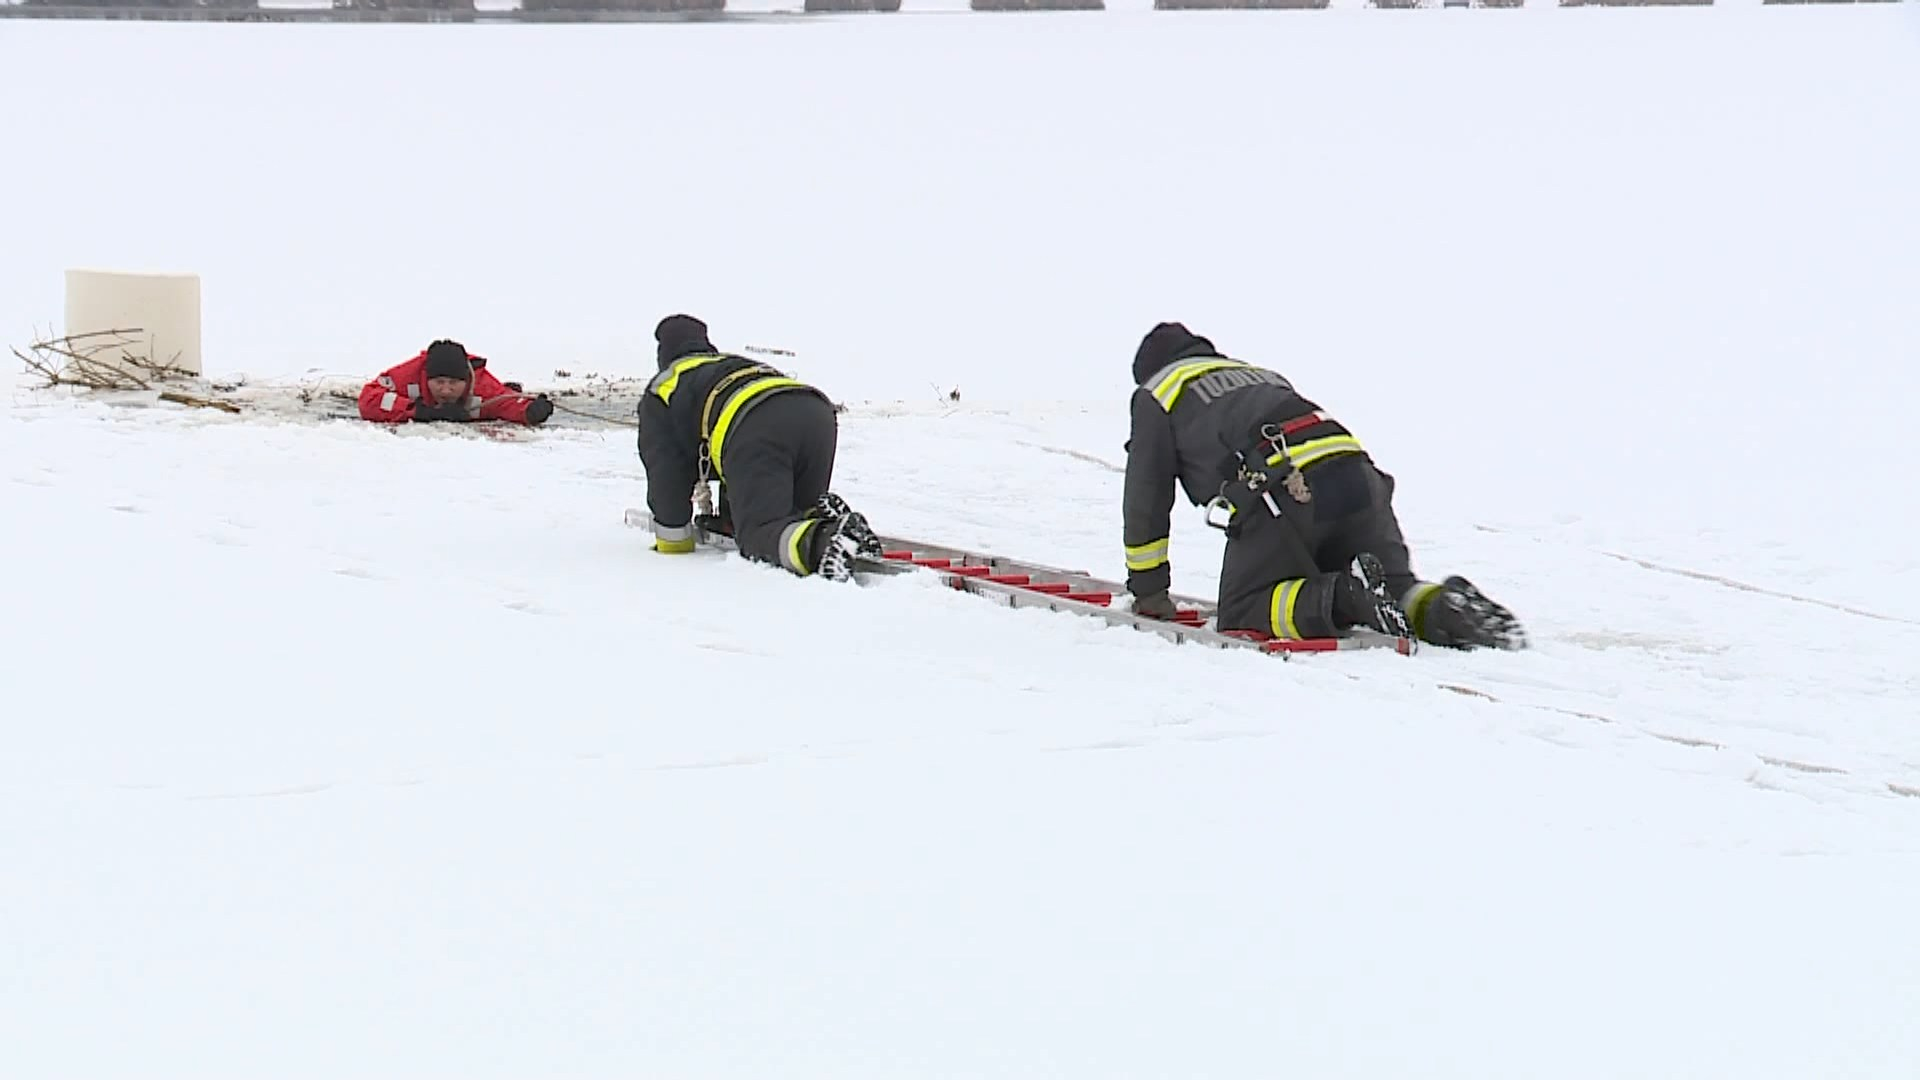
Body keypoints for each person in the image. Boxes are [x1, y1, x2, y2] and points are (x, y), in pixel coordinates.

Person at [1121, 321, 1524, 650]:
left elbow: (1146, 497)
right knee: (1396, 587)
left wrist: (1149, 591)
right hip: (1359, 478)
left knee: (1244, 610)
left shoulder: (1157, 393)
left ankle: (1347, 596)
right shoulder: (1258, 374)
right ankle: (1443, 606)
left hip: (1285, 489)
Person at [637, 313, 881, 581]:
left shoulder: (662, 388)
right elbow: (733, 462)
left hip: (755, 425)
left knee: (758, 533)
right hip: (814, 413)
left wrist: (674, 539)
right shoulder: (726, 364)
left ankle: (825, 542)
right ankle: (824, 520)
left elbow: (665, 474)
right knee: (792, 514)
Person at [357, 339, 554, 426]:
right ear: (426, 377)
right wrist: (422, 412)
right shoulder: (408, 376)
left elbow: (507, 404)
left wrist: (532, 411)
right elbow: (369, 399)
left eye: (453, 383)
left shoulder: (481, 386)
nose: (445, 390)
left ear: (466, 380)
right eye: (439, 382)